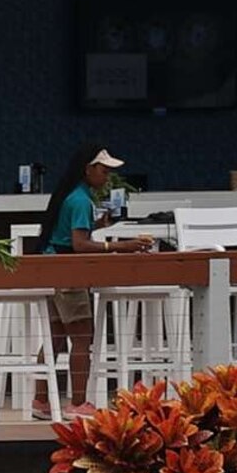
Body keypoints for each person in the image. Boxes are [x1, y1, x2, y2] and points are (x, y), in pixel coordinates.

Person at [38, 145, 156, 411]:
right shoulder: (81, 200)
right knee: (81, 339)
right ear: (87, 169)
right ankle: (78, 402)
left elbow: (70, 233)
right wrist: (121, 246)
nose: (106, 177)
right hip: (70, 272)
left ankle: (41, 400)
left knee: (55, 337)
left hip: (54, 269)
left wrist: (101, 225)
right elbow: (79, 244)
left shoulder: (72, 196)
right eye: (103, 171)